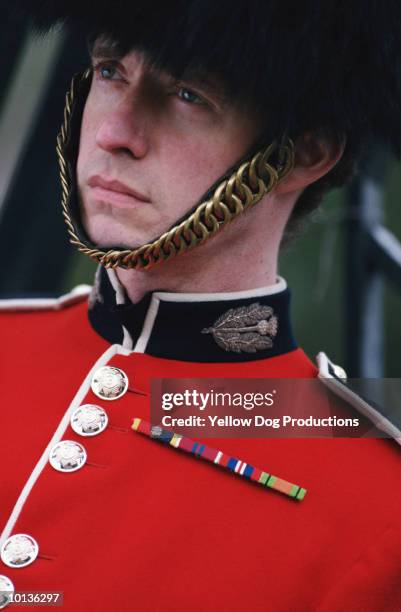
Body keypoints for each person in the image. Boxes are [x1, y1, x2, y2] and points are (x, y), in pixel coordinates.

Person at [1, 2, 401, 610]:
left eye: (188, 94)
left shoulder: (378, 505)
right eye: (111, 72)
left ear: (305, 152)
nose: (115, 134)